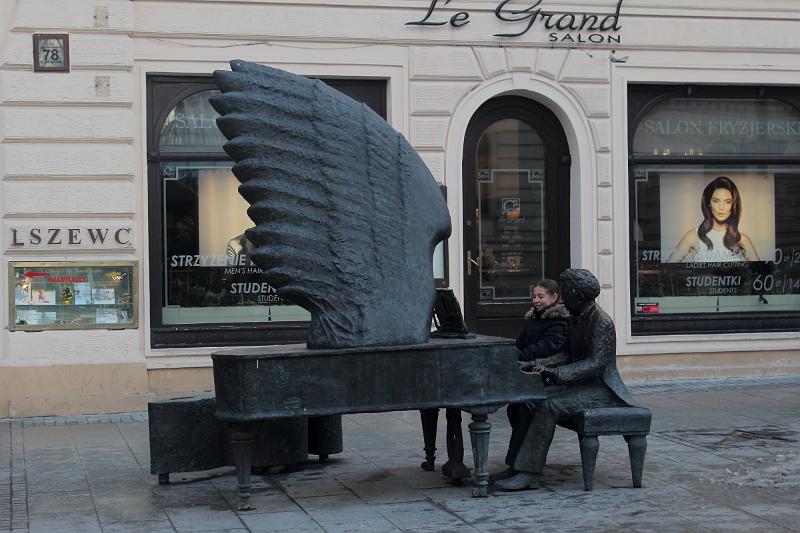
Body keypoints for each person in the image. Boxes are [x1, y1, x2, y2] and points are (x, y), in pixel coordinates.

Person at [496, 269, 634, 491]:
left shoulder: (601, 322)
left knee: (547, 406)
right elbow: (568, 354)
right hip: (579, 385)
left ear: (576, 294)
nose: (563, 296)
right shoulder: (575, 319)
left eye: (566, 292)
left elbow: (595, 364)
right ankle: (516, 465)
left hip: (602, 390)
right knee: (525, 401)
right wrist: (541, 364)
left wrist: (560, 374)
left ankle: (529, 473)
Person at [493, 279, 570, 481]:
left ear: (554, 297)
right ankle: (518, 462)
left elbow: (548, 346)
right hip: (531, 370)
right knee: (515, 408)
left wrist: (520, 356)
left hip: (548, 376)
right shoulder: (535, 318)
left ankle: (519, 466)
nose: (536, 300)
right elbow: (523, 342)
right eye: (534, 296)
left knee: (523, 407)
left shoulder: (557, 321)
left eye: (540, 296)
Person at [667, 176, 760, 263]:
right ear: (709, 203)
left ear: (733, 205)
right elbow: (667, 269)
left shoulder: (742, 239)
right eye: (716, 201)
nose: (721, 207)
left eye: (727, 202)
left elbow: (763, 272)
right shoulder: (693, 236)